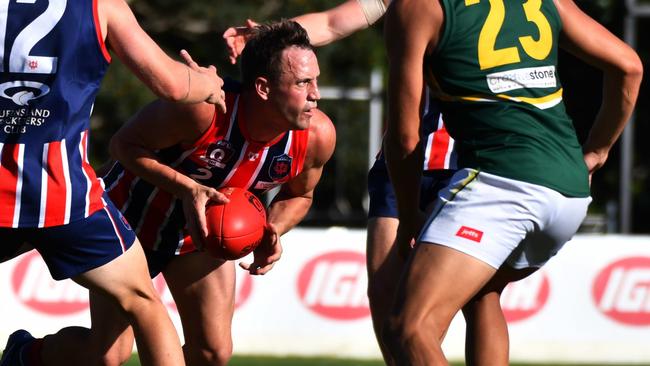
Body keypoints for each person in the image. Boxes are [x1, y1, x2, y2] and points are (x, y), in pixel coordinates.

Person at [382, 0, 642, 364]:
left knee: (410, 327)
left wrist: (409, 217)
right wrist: (598, 151)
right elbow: (629, 67)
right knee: (483, 294)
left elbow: (405, 137)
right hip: (568, 191)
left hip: (500, 182)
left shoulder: (418, 7)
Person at [82, 20, 334, 366]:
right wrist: (188, 188)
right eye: (303, 83)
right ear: (263, 88)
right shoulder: (204, 109)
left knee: (213, 352)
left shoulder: (317, 137)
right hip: (130, 224)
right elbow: (123, 145)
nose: (316, 94)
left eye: (315, 80)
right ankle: (28, 355)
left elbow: (300, 196)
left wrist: (270, 229)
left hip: (198, 237)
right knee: (107, 355)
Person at [222, 2, 458, 364]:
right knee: (387, 307)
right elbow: (332, 23)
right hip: (400, 164)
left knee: (453, 313)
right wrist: (266, 40)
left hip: (465, 166)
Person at [0, 0, 227, 365]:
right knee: (143, 304)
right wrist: (209, 83)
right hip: (63, 196)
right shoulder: (100, 5)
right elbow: (170, 84)